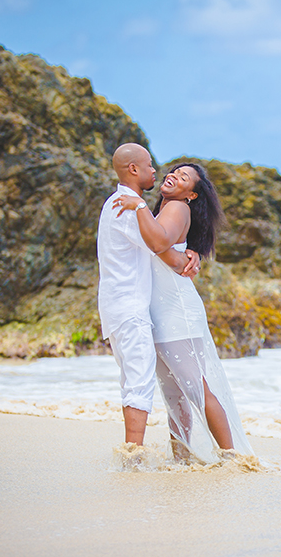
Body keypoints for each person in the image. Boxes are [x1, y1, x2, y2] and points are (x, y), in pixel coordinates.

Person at [112, 162, 254, 463]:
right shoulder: (161, 211)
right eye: (174, 171)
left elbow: (158, 243)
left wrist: (138, 205)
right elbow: (157, 245)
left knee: (197, 390)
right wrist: (182, 255)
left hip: (176, 313)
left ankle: (231, 457)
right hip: (161, 312)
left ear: (191, 194)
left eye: (184, 177)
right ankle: (182, 457)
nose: (173, 175)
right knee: (176, 395)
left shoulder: (177, 208)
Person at [96, 143, 200, 446]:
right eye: (150, 165)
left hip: (120, 306)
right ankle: (133, 454)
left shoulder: (118, 202)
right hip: (129, 308)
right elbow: (160, 247)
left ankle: (135, 451)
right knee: (138, 381)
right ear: (134, 169)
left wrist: (188, 253)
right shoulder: (127, 206)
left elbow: (159, 244)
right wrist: (187, 260)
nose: (156, 171)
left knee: (133, 378)